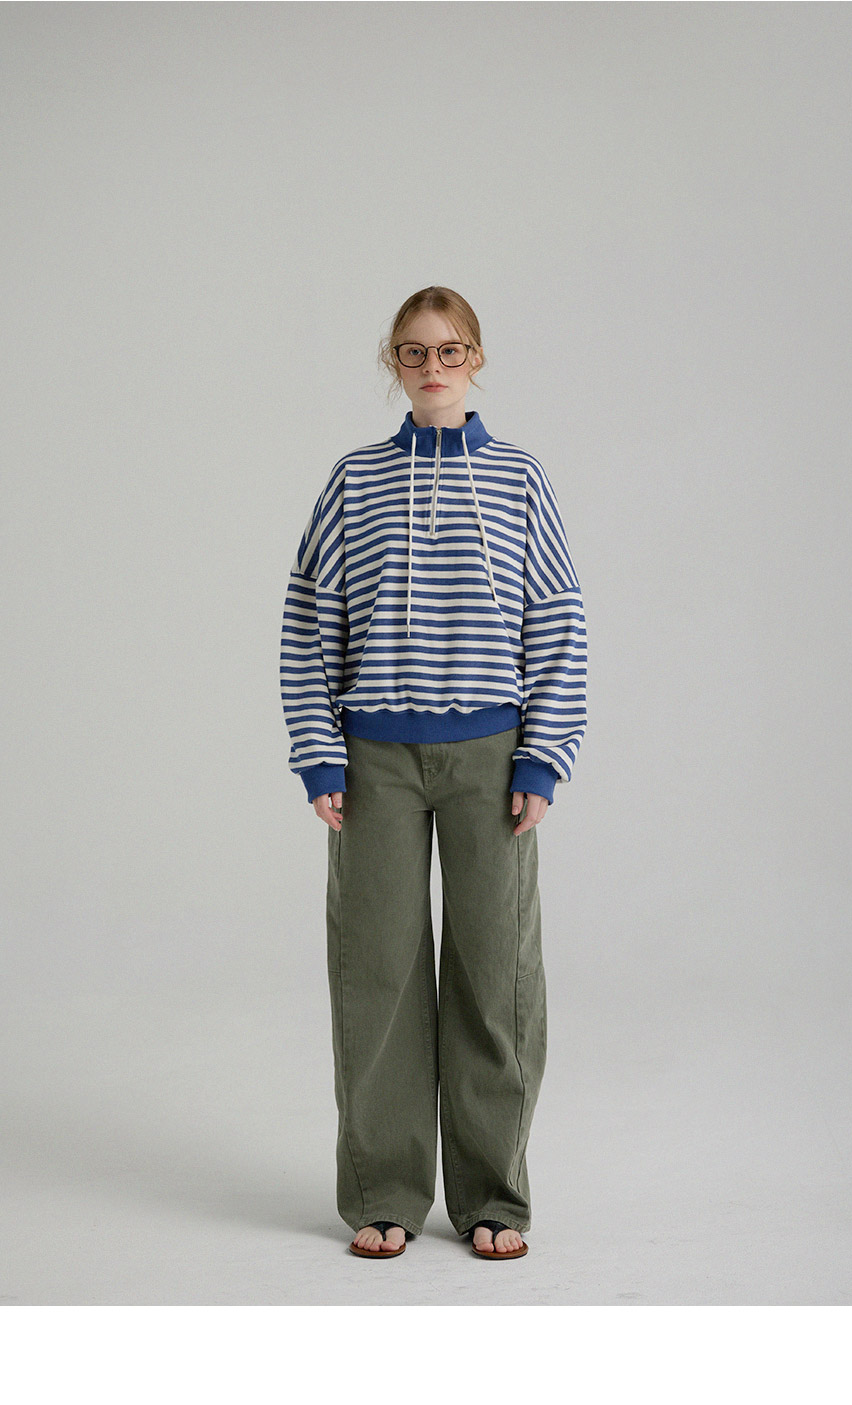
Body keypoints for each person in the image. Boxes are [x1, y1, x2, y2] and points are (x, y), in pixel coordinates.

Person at [279, 286, 587, 1260]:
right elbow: (307, 619)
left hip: (493, 759)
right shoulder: (355, 481)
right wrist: (318, 750)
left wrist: (544, 754)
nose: (433, 366)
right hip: (373, 758)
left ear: (476, 358)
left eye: (450, 350)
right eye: (414, 352)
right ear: (394, 363)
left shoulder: (520, 479)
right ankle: (385, 1189)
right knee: (377, 973)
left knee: (497, 977)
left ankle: (494, 1193)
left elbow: (558, 618)